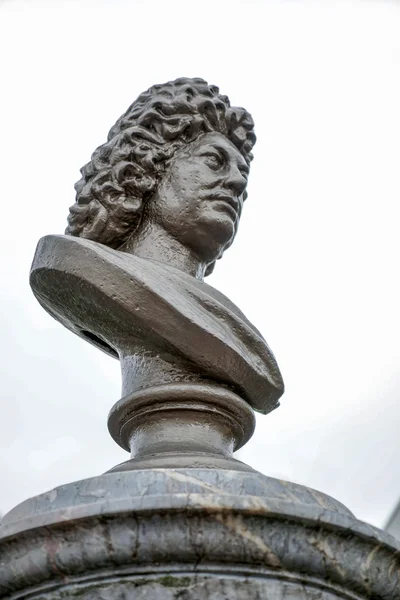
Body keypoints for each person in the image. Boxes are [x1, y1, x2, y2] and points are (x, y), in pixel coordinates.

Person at [31, 78, 284, 415]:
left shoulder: (237, 331)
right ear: (151, 166)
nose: (237, 183)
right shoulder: (71, 264)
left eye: (242, 174)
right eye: (214, 160)